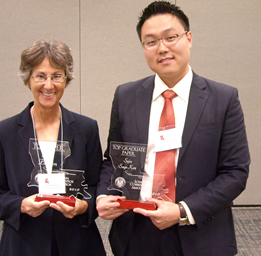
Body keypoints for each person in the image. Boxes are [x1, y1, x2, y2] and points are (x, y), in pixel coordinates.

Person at [96, 1, 250, 256]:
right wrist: (103, 196)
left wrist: (182, 211)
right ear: (143, 47)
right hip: (136, 230)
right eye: (151, 41)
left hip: (199, 230)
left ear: (188, 38)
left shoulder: (223, 99)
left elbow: (235, 172)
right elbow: (113, 161)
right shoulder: (126, 96)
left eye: (171, 37)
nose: (163, 48)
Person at [0, 40, 106, 256]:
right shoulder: (4, 132)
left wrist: (84, 206)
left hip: (77, 242)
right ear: (27, 80)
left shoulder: (86, 128)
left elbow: (97, 185)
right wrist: (21, 205)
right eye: (40, 76)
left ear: (66, 81)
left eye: (57, 76)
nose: (48, 85)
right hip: (24, 243)